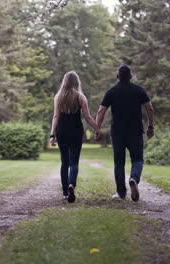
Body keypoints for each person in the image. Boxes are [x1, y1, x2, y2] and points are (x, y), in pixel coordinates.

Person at [95, 65, 154, 201]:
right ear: (131, 76)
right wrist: (150, 126)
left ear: (117, 77)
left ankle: (121, 193)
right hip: (135, 131)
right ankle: (134, 178)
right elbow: (149, 109)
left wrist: (97, 129)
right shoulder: (139, 90)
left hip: (117, 133)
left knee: (119, 163)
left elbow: (101, 111)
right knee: (138, 159)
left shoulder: (111, 91)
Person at [49, 71, 102, 203]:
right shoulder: (80, 97)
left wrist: (52, 135)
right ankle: (72, 184)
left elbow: (56, 117)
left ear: (64, 82)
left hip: (62, 132)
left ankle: (65, 192)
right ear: (76, 82)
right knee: (74, 162)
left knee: (64, 162)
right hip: (76, 132)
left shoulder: (58, 97)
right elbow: (88, 117)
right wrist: (97, 129)